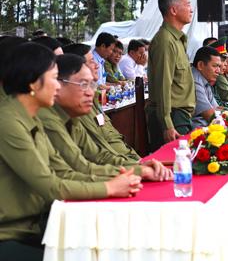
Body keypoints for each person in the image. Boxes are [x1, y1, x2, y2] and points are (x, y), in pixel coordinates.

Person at [0, 43, 142, 261]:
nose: (58, 86)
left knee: (104, 257)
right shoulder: (9, 122)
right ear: (34, 84)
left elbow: (67, 170)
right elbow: (50, 185)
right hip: (9, 235)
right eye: (55, 79)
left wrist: (130, 174)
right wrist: (110, 187)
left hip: (35, 227)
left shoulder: (30, 116)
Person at [38, 54, 170, 181]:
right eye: (84, 85)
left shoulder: (72, 116)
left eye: (92, 85)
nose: (90, 93)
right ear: (58, 84)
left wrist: (138, 166)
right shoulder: (47, 119)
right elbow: (77, 169)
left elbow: (98, 154)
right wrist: (121, 181)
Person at [64, 43, 141, 161]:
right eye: (91, 61)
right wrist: (136, 166)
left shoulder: (92, 98)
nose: (97, 66)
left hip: (125, 158)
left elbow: (113, 137)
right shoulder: (76, 108)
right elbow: (96, 155)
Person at [146, 0, 195, 150]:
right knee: (176, 169)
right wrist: (167, 124)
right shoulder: (165, 41)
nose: (191, 9)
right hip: (172, 118)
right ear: (173, 10)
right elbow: (163, 86)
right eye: (187, 4)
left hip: (180, 115)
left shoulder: (177, 39)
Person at [191, 46, 222, 127]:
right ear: (200, 65)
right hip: (195, 133)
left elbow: (216, 109)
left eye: (219, 66)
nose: (218, 71)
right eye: (215, 66)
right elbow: (210, 115)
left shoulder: (204, 79)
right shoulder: (194, 80)